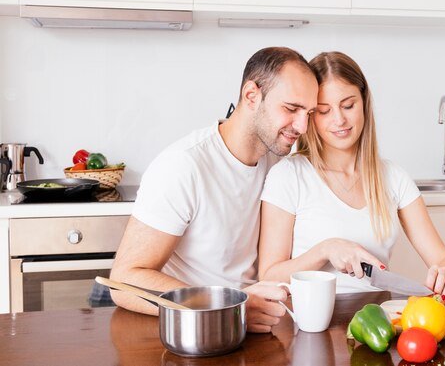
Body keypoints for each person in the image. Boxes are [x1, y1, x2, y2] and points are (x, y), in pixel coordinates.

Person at [110, 47, 319, 332]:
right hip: (193, 333)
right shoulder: (184, 165)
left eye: (309, 113)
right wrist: (231, 307)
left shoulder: (278, 163)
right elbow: (124, 283)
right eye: (291, 109)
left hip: (256, 329)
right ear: (251, 96)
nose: (303, 126)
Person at [258, 51, 445, 301]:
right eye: (324, 111)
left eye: (348, 105)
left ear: (364, 103)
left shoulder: (393, 177)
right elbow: (268, 276)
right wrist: (326, 249)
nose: (339, 119)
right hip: (309, 324)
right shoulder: (288, 176)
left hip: (376, 322)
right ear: (310, 115)